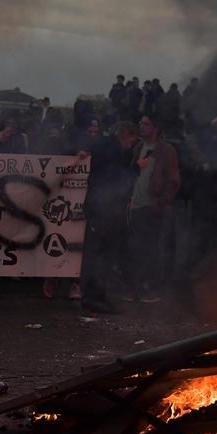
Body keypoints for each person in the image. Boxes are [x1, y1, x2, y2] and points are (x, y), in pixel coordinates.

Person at [79, 121, 138, 314]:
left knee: (105, 255)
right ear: (126, 135)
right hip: (102, 210)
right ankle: (91, 296)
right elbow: (115, 178)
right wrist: (137, 168)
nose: (132, 144)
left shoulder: (109, 147)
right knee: (98, 254)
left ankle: (99, 294)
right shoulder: (109, 149)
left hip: (109, 210)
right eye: (132, 139)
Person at [126, 114, 180, 303]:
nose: (141, 126)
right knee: (135, 247)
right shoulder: (138, 147)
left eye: (146, 124)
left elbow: (173, 181)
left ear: (155, 128)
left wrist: (161, 203)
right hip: (136, 205)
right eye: (140, 123)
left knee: (152, 249)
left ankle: (151, 288)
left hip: (153, 206)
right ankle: (135, 287)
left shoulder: (166, 150)